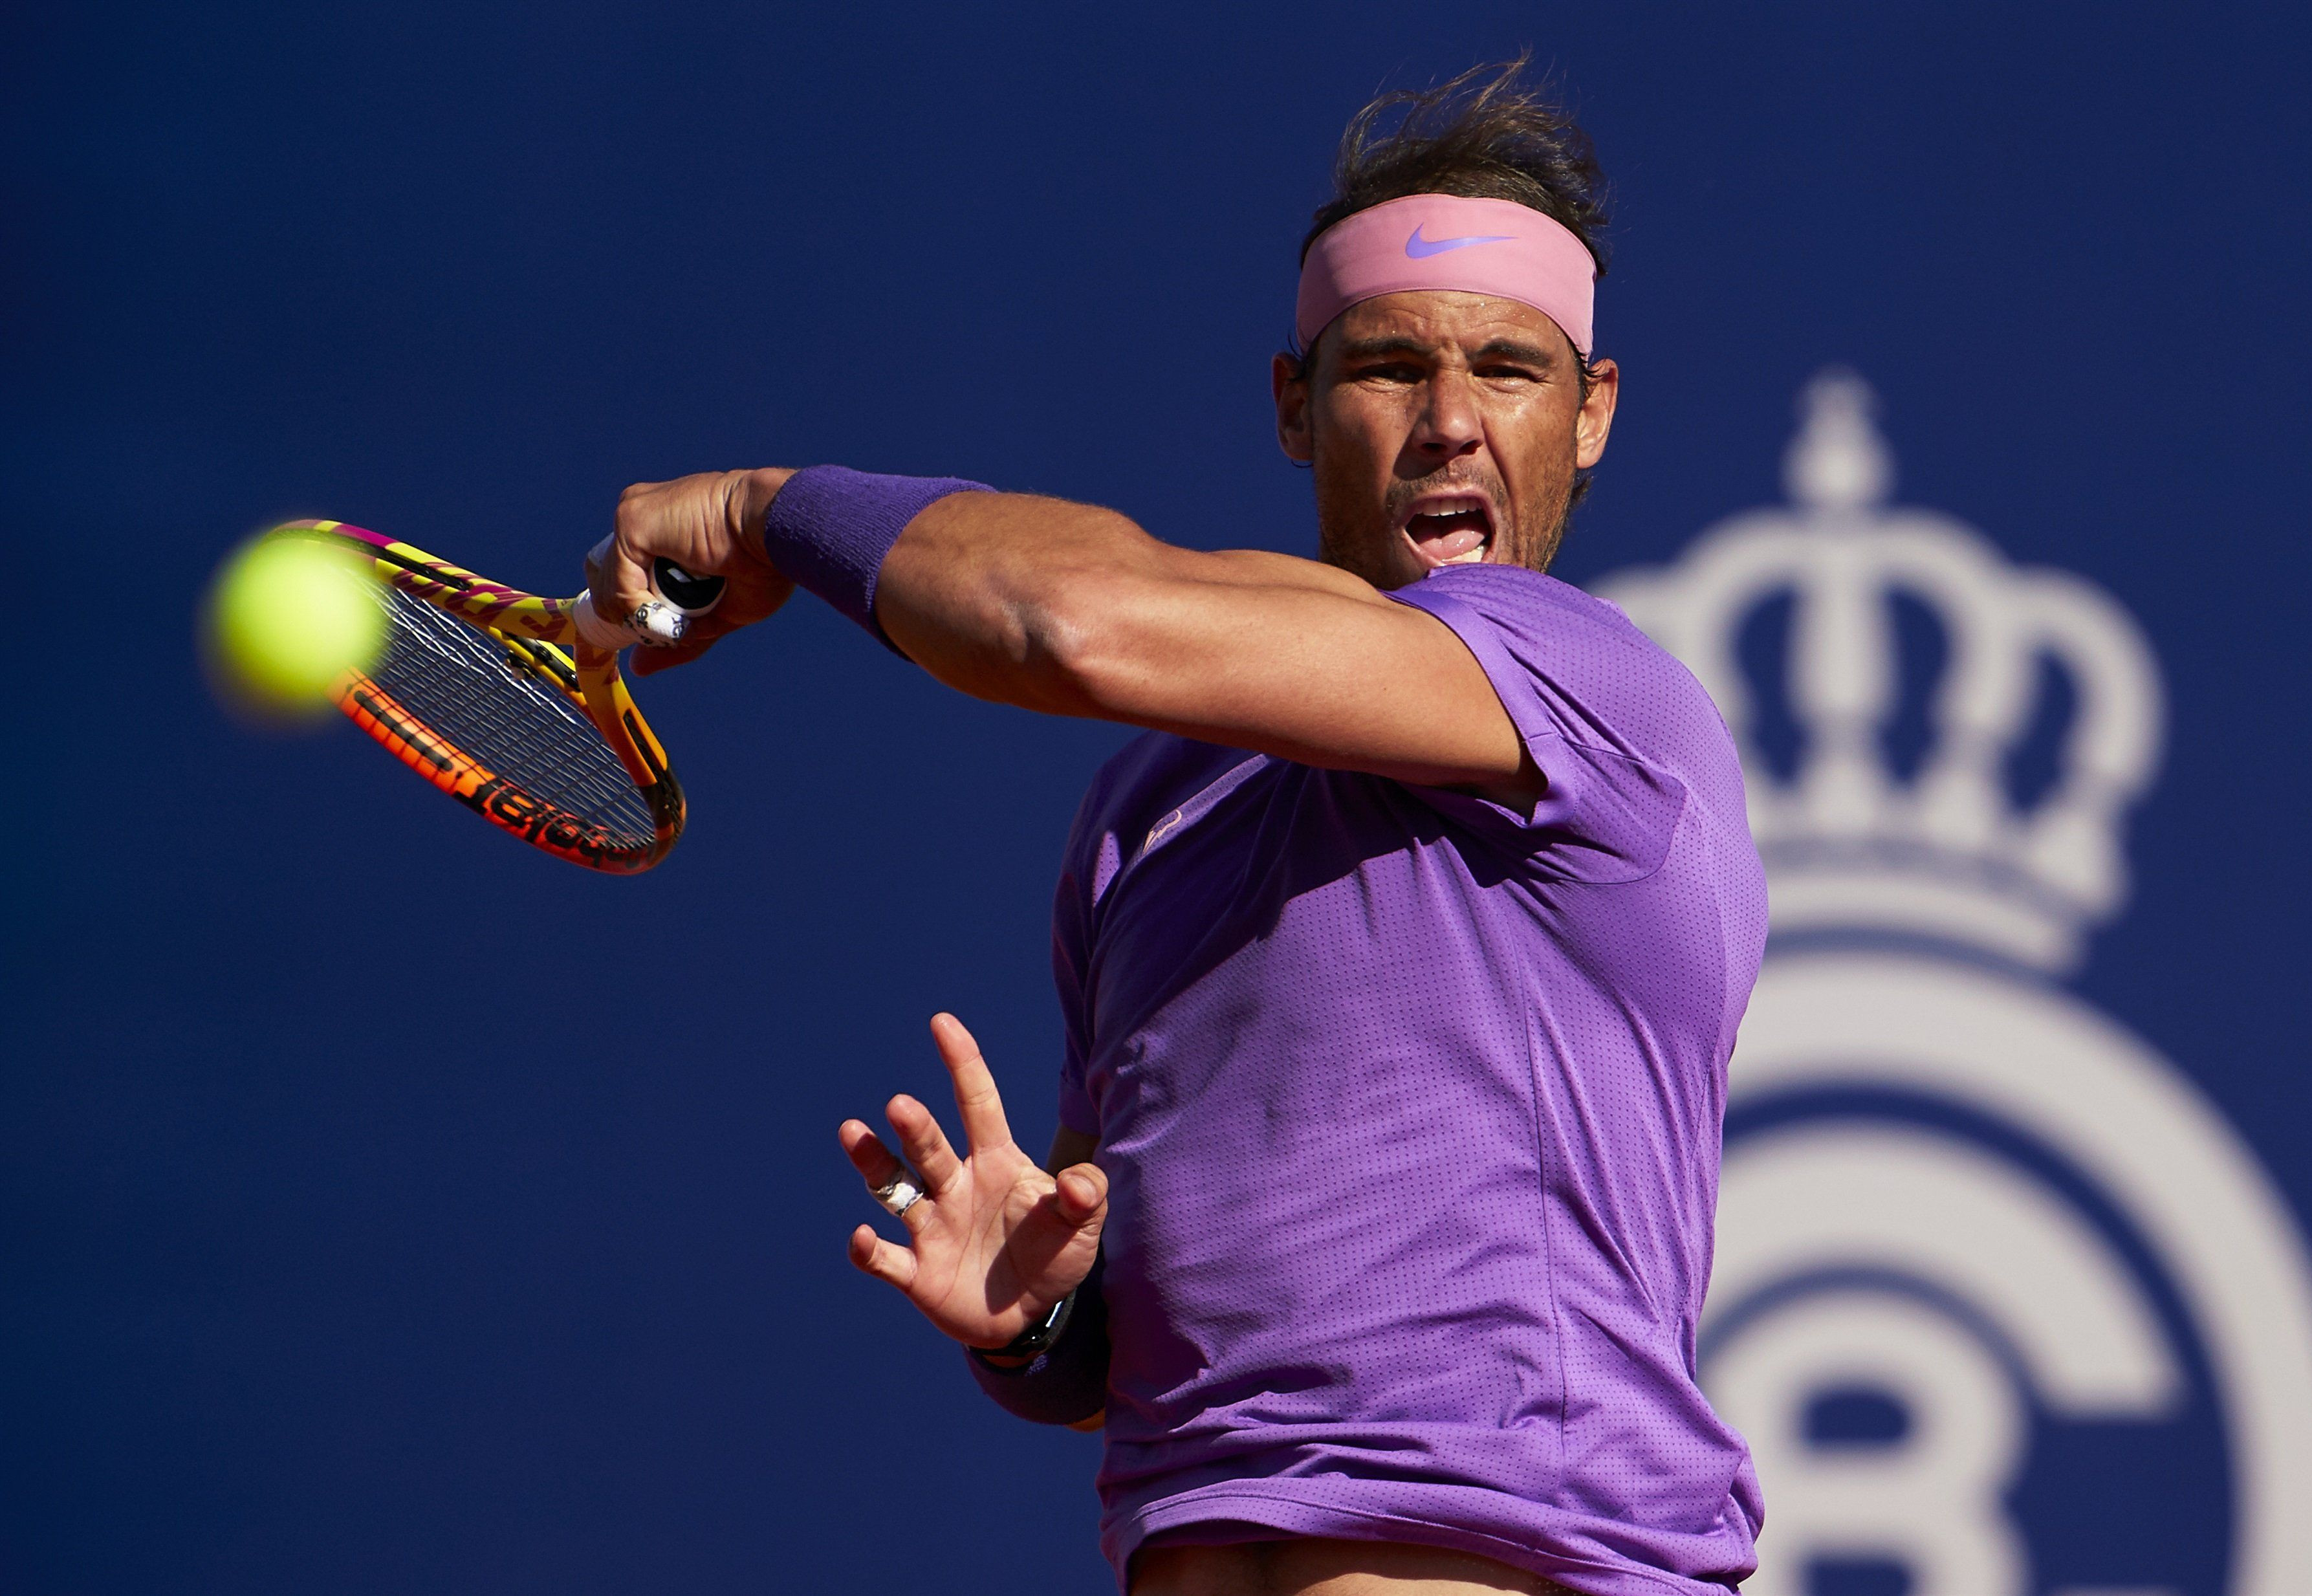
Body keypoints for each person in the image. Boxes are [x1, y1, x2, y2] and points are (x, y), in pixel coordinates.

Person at [587, 60, 1765, 1596]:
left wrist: (766, 508)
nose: (1449, 423)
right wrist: (1044, 1318)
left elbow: (1066, 616)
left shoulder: (1595, 688)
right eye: (1387, 366)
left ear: (1591, 414)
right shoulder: (1150, 810)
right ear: (1293, 404)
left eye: (1509, 368)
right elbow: (1112, 1351)